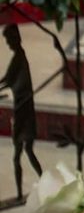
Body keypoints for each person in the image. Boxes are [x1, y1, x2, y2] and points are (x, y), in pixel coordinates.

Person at [0, 24, 42, 200]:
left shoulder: (19, 57)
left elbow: (8, 80)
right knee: (19, 154)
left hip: (24, 111)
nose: (8, 44)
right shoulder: (19, 57)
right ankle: (19, 193)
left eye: (9, 40)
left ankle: (42, 182)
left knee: (25, 152)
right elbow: (7, 80)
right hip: (21, 108)